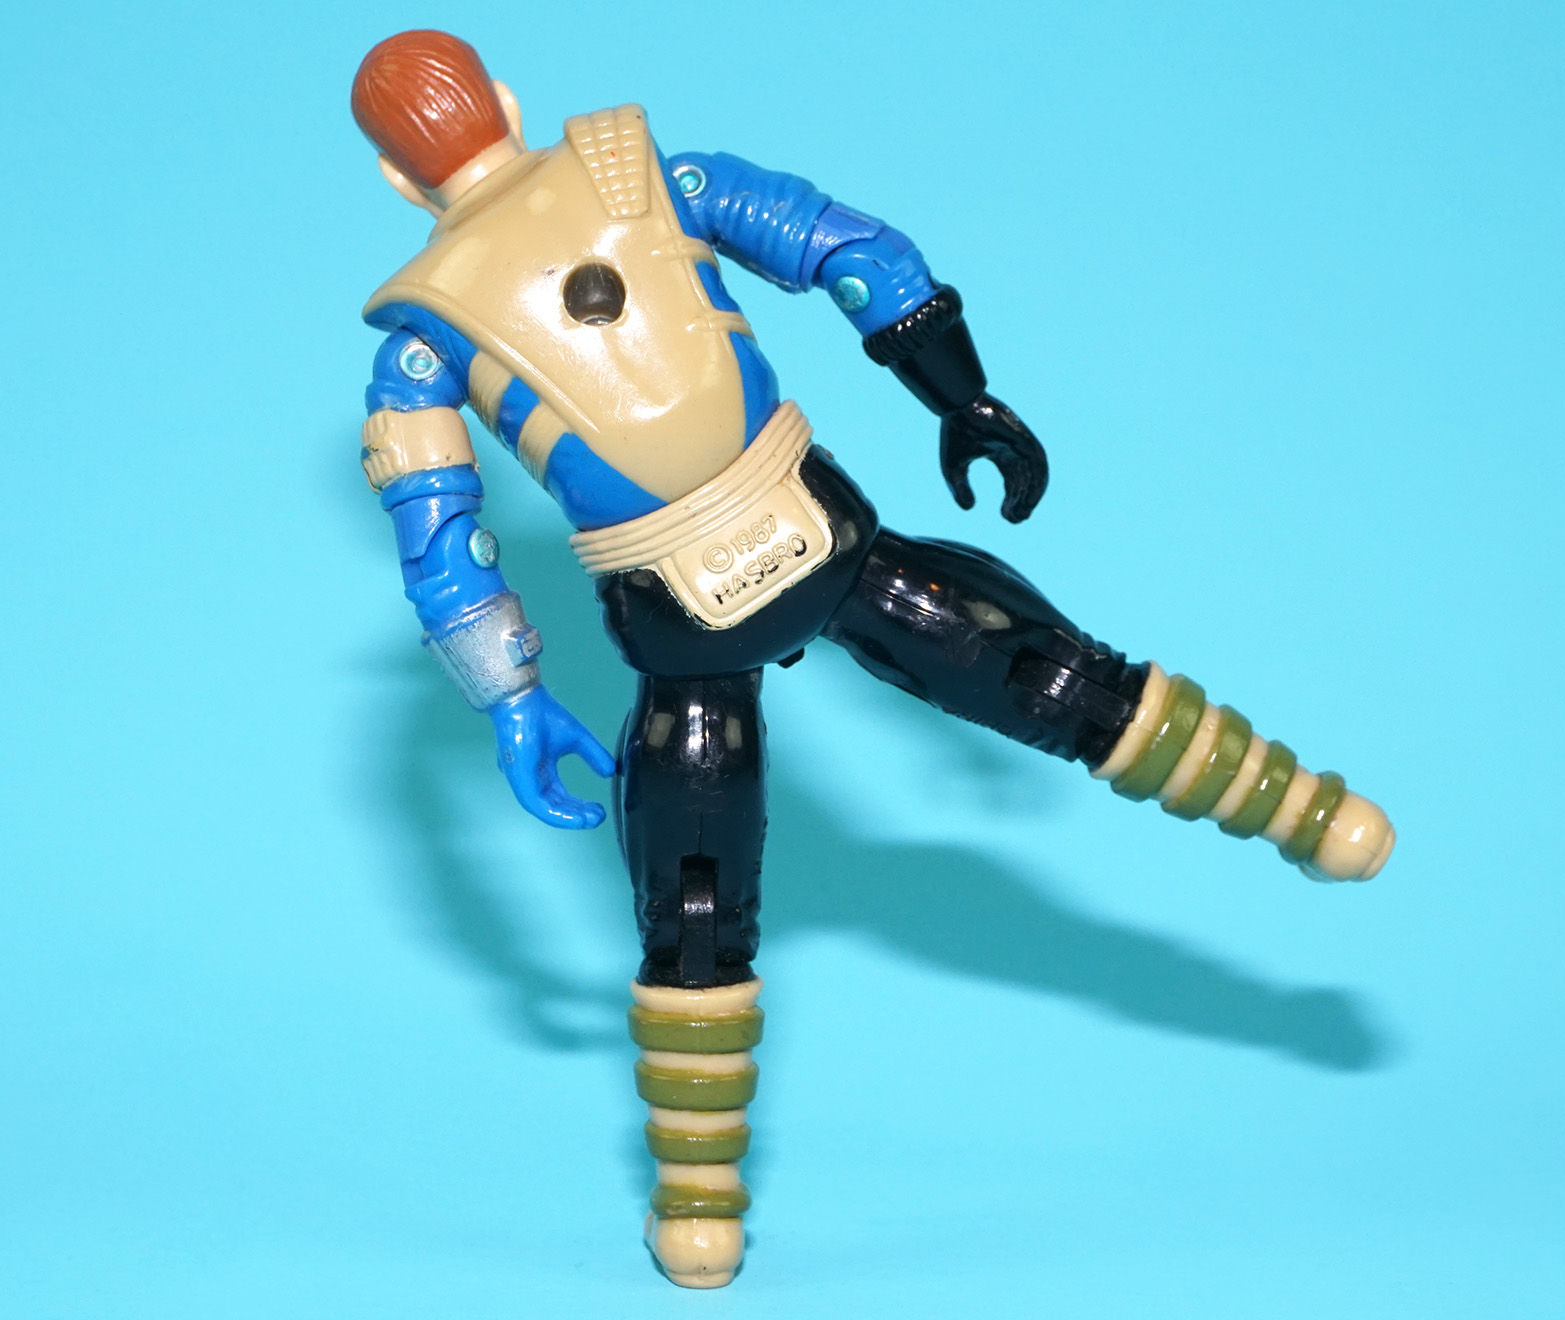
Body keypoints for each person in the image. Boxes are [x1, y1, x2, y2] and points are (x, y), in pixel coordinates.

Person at [351, 29, 1394, 1288]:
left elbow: (443, 546)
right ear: (507, 103)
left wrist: (511, 697)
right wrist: (962, 395)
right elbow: (854, 251)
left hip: (681, 635)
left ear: (398, 179)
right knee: (1064, 685)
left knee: (693, 915)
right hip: (839, 549)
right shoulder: (653, 177)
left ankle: (697, 1215)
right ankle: (1309, 814)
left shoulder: (420, 343)